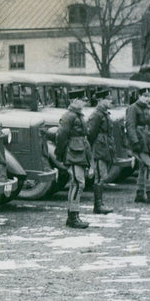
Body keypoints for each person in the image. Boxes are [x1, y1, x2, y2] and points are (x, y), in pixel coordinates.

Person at [56, 89, 93, 228]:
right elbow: (61, 136)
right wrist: (61, 154)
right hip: (73, 153)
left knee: (76, 184)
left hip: (79, 152)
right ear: (74, 100)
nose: (84, 102)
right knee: (78, 183)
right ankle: (73, 217)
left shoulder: (77, 115)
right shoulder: (69, 116)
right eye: (82, 100)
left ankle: (74, 215)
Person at [125, 87, 150, 205]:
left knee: (143, 167)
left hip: (148, 142)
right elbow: (130, 126)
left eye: (148, 96)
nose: (147, 98)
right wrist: (135, 142)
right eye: (145, 96)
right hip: (140, 142)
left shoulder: (147, 109)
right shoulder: (133, 108)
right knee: (148, 166)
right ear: (139, 96)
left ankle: (140, 194)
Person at [85, 87, 114, 215]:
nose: (110, 101)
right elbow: (90, 134)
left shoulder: (104, 114)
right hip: (99, 149)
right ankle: (97, 205)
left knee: (102, 176)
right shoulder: (96, 115)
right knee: (99, 176)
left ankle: (100, 203)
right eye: (107, 99)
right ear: (100, 100)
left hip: (104, 148)